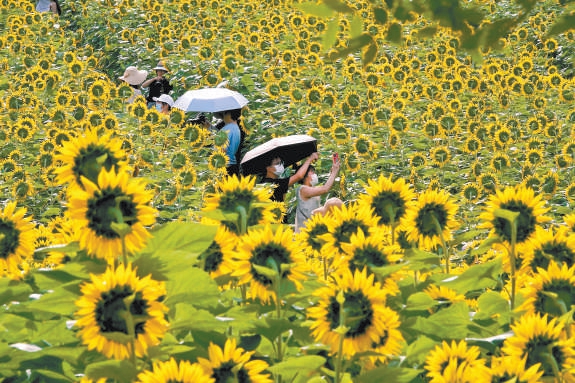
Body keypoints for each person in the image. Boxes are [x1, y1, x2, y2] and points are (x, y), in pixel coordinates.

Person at [295, 156, 341, 232]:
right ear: (304, 175)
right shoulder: (303, 189)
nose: (314, 174)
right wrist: (334, 172)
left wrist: (333, 171)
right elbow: (325, 189)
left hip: (313, 228)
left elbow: (325, 187)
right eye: (312, 171)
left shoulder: (311, 189)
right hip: (304, 233)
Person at [213, 109, 242, 176]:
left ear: (228, 114)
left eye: (223, 113)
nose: (222, 116)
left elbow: (222, 150)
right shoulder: (236, 127)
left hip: (224, 166)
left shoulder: (226, 129)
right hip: (233, 166)